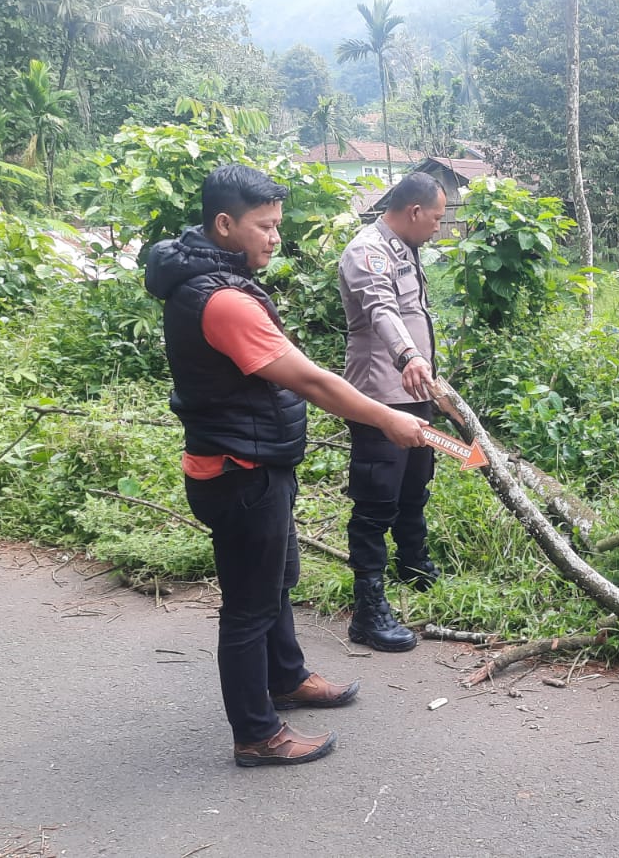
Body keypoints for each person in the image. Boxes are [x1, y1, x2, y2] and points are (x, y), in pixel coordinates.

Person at [144, 164, 430, 767]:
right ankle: (256, 733)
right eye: (264, 226)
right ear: (225, 224)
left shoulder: (216, 278)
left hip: (254, 464)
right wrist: (387, 417)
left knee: (276, 584)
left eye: (278, 225)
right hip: (238, 471)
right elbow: (310, 380)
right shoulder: (221, 300)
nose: (275, 237)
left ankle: (287, 677)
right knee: (248, 607)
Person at [336, 171, 448, 652]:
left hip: (416, 389)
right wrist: (409, 357)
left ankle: (414, 563)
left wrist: (427, 373)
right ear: (415, 211)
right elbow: (382, 310)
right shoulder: (368, 251)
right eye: (437, 219)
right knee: (376, 497)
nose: (439, 228)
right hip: (381, 395)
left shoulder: (406, 247)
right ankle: (368, 607)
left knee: (414, 483)